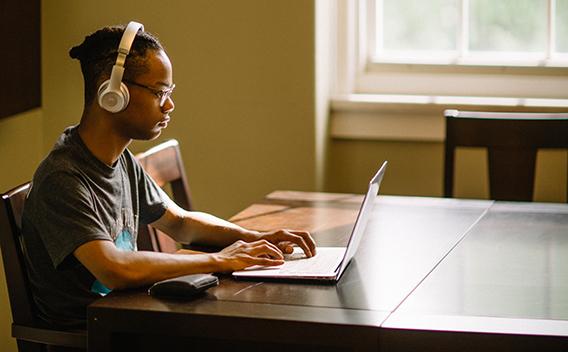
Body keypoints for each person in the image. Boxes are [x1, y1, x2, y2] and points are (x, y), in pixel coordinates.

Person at [21, 22, 316, 329]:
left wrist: (254, 238)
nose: (169, 105)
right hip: (94, 336)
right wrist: (221, 260)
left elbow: (180, 223)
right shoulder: (64, 177)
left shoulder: (120, 161)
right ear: (113, 93)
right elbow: (115, 268)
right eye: (159, 92)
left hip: (132, 318)